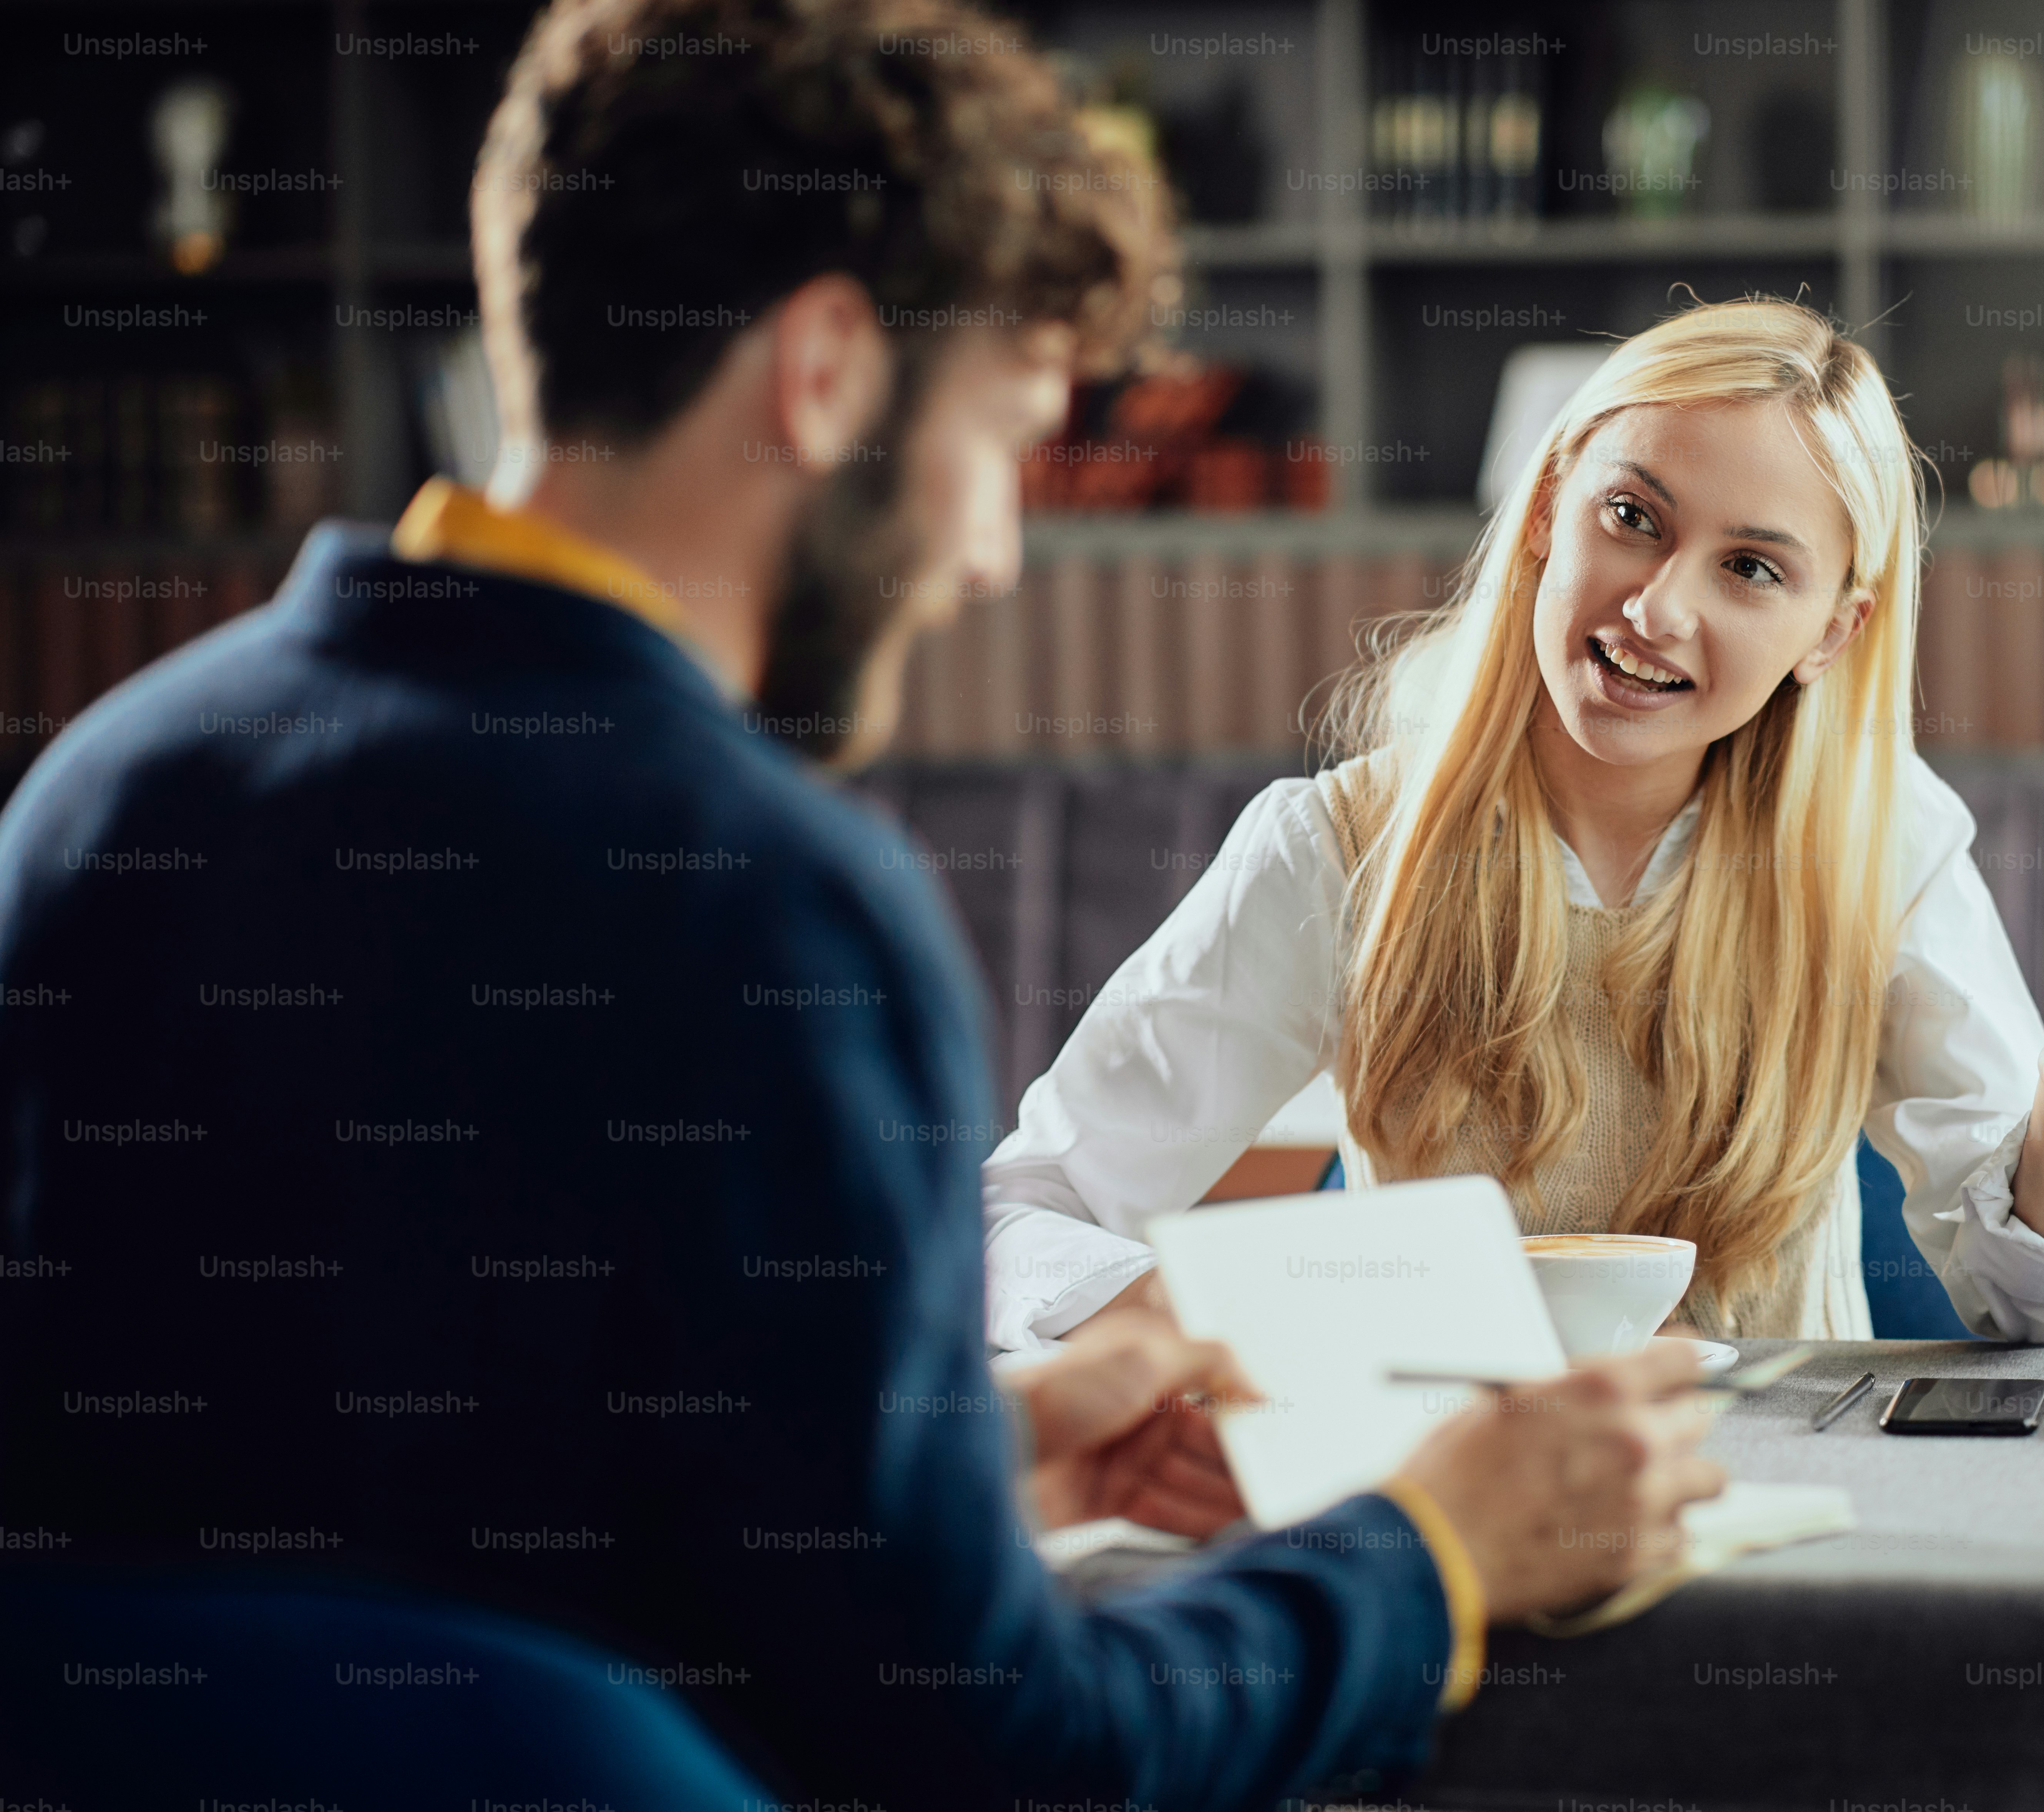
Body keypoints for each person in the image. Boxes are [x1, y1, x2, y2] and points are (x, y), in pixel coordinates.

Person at [0, 3, 1725, 1807]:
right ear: (827, 372)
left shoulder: (108, 794)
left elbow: (396, 1532)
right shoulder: (768, 909)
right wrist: (1434, 1556)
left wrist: (956, 1470)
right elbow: (1008, 1759)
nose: (989, 552)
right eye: (1005, 437)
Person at [980, 297, 2044, 1354]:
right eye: (1632, 520)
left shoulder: (1882, 851)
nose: (1659, 609)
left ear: (1829, 631)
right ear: (1551, 506)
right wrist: (1232, 1326)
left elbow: (2027, 1311)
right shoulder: (1337, 845)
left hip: (1796, 1535)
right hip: (1449, 1533)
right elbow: (1018, 1217)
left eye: (1751, 568)